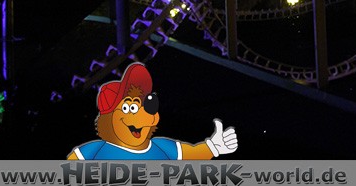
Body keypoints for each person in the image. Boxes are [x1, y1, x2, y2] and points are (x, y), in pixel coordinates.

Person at [67, 61, 238, 160]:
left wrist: (214, 147)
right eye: (129, 107)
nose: (142, 115)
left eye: (147, 105)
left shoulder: (162, 146)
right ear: (108, 119)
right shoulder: (94, 151)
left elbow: (192, 153)